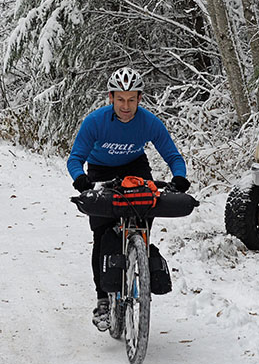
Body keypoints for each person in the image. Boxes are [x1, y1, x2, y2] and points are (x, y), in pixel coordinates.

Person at [67, 67, 190, 330]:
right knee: (101, 235)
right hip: (100, 170)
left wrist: (179, 177)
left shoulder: (148, 122)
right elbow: (75, 158)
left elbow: (173, 156)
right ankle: (103, 298)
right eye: (120, 99)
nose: (126, 105)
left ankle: (140, 260)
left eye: (131, 99)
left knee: (143, 219)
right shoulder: (96, 121)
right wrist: (81, 179)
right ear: (111, 98)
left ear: (139, 99)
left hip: (135, 169)